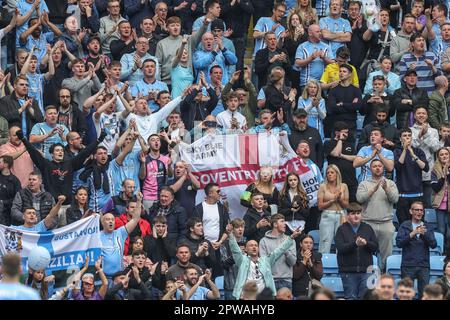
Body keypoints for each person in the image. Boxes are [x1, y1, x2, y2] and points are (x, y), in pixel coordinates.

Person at [226, 221, 302, 299]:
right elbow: (235, 250)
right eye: (251, 245)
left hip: (262, 297)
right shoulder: (242, 260)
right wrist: (230, 235)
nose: (254, 247)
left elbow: (279, 250)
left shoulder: (266, 261)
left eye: (256, 245)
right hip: (246, 297)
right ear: (246, 249)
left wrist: (291, 237)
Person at [356, 160, 399, 271]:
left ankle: (384, 277)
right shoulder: (364, 184)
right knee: (365, 252)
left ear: (383, 168)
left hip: (386, 223)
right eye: (374, 166)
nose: (377, 168)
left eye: (379, 166)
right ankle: (367, 276)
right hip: (368, 223)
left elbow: (395, 199)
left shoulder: (390, 183)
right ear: (371, 169)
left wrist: (386, 189)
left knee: (387, 255)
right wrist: (373, 189)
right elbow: (359, 199)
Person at [335, 202, 378, 300]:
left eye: (358, 213)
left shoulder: (368, 228)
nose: (356, 216)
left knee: (366, 298)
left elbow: (375, 247)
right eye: (353, 213)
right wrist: (355, 244)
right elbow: (340, 248)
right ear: (348, 215)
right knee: (350, 297)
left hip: (366, 271)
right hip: (348, 272)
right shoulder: (341, 229)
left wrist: (366, 243)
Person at [396, 201, 437, 297]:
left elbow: (434, 244)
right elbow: (399, 243)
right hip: (408, 265)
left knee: (424, 295)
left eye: (421, 210)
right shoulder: (405, 225)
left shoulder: (427, 226)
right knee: (406, 295)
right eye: (416, 210)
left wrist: (424, 234)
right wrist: (412, 233)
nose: (419, 212)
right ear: (411, 211)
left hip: (424, 266)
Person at [100, 192, 142, 281]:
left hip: (119, 276)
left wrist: (138, 201)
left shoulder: (120, 232)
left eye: (112, 219)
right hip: (103, 277)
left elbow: (135, 219)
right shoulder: (96, 236)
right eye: (107, 219)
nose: (111, 221)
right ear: (102, 222)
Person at [394, 128, 428, 225]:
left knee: (419, 225)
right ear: (400, 139)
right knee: (404, 225)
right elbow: (398, 167)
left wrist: (413, 155)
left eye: (409, 136)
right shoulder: (397, 151)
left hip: (418, 195)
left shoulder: (418, 151)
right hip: (403, 196)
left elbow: (425, 168)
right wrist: (405, 150)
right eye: (404, 136)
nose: (407, 138)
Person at [411, 106, 441, 208]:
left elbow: (436, 148)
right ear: (414, 116)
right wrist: (419, 136)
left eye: (423, 113)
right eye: (419, 113)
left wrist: (426, 134)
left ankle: (426, 224)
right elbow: (411, 147)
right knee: (415, 203)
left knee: (428, 203)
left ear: (427, 116)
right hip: (414, 169)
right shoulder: (409, 130)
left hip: (429, 170)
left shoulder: (434, 131)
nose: (421, 115)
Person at [259, 214, 297, 291]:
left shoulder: (290, 240)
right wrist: (282, 247)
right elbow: (265, 264)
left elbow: (292, 262)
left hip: (287, 280)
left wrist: (285, 249)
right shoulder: (263, 241)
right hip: (270, 280)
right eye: (282, 221)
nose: (285, 224)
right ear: (275, 224)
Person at [317, 164, 349, 253]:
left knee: (342, 242)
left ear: (337, 174)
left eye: (332, 172)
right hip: (327, 215)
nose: (330, 174)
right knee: (325, 242)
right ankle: (323, 264)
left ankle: (341, 264)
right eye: (328, 173)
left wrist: (339, 200)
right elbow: (320, 206)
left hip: (341, 215)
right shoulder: (322, 186)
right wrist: (332, 200)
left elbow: (346, 205)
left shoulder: (344, 186)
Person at [326, 64, 362, 141]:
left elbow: (358, 106)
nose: (341, 73)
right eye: (340, 71)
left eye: (344, 71)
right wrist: (350, 105)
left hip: (351, 125)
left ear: (350, 74)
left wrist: (342, 104)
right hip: (336, 125)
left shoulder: (356, 90)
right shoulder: (333, 90)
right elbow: (332, 108)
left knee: (351, 150)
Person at [325, 121, 358, 202]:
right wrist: (340, 140)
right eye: (344, 132)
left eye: (347, 132)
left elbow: (355, 158)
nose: (346, 134)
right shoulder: (328, 143)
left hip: (351, 181)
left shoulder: (350, 144)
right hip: (336, 182)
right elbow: (336, 153)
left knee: (353, 207)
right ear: (337, 132)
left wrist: (342, 155)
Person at [294, 24, 334, 90]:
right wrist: (311, 58)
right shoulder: (302, 46)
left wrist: (324, 58)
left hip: (323, 84)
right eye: (317, 32)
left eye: (320, 31)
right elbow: (297, 63)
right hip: (307, 84)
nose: (320, 33)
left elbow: (333, 63)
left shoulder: (326, 46)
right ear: (310, 33)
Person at [192, 183, 229, 249]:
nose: (220, 193)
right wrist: (203, 243)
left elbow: (227, 229)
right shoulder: (198, 209)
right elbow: (193, 229)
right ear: (210, 193)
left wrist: (220, 242)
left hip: (218, 246)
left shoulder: (222, 209)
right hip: (203, 247)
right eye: (218, 191)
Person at [220, 218, 246, 300]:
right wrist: (236, 254)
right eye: (237, 227)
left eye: (242, 227)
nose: (240, 229)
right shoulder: (224, 244)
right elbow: (223, 264)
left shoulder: (247, 243)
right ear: (232, 229)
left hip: (246, 286)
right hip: (231, 285)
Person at [430, 147, 450, 256]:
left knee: (449, 233)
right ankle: (441, 254)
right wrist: (443, 176)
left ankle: (448, 254)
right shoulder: (434, 169)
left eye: (446, 154)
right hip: (440, 205)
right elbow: (435, 188)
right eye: (441, 154)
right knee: (441, 231)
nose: (444, 156)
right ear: (438, 157)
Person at [0, 155, 22, 226]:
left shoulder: (15, 181)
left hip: (7, 215)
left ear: (6, 164)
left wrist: (3, 202)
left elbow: (18, 199)